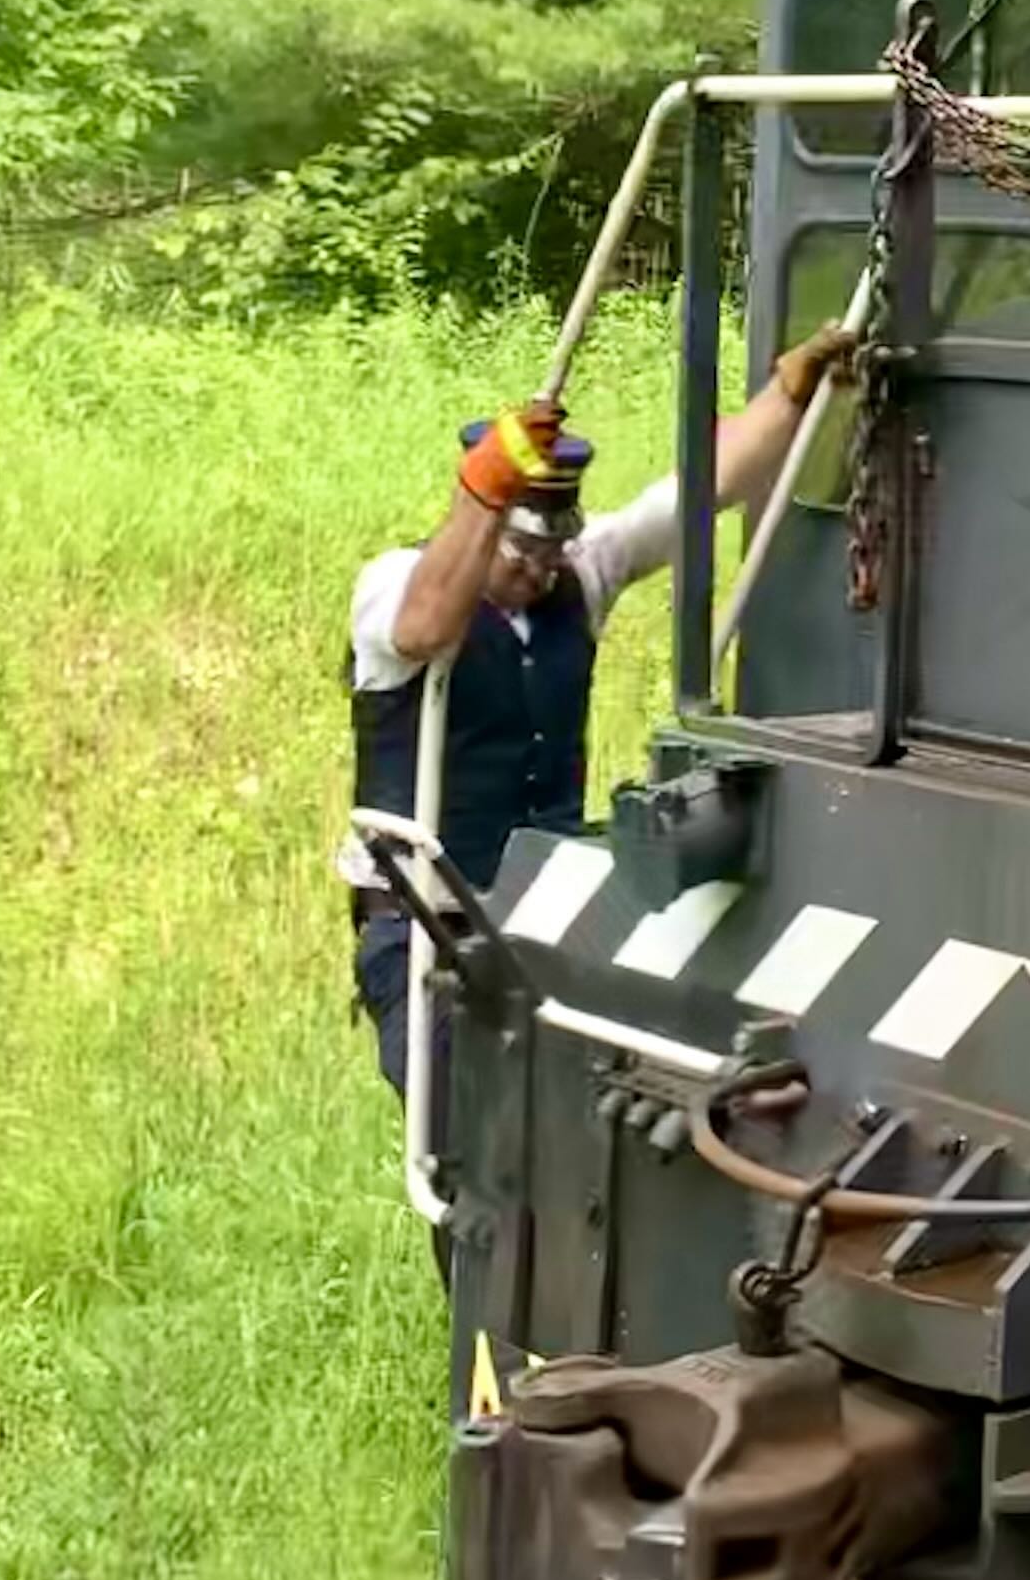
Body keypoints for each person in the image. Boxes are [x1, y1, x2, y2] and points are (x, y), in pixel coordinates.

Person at [340, 325, 851, 1103]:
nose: (539, 572)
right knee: (465, 1129)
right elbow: (424, 630)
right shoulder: (395, 584)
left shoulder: (580, 577)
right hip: (425, 928)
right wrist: (480, 490)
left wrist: (787, 395)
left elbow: (692, 494)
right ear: (484, 525)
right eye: (518, 554)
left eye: (551, 553)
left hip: (544, 921)